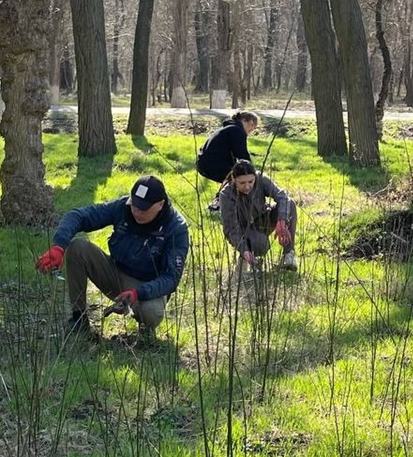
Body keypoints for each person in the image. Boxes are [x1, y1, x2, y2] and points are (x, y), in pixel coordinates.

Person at [35, 174, 190, 339]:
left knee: (152, 312)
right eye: (134, 205)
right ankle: (78, 319)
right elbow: (79, 215)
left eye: (143, 208)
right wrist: (59, 246)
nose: (136, 211)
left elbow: (171, 278)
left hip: (145, 286)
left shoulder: (176, 228)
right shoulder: (123, 207)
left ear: (160, 205)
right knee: (77, 247)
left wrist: (139, 292)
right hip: (115, 272)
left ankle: (145, 333)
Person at [218, 159, 298, 271]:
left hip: (263, 220)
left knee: (290, 205)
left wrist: (282, 220)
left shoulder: (260, 179)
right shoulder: (226, 194)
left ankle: (288, 255)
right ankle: (244, 258)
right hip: (243, 230)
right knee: (261, 244)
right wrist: (243, 249)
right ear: (234, 180)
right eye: (242, 183)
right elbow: (231, 229)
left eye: (251, 182)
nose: (247, 187)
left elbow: (283, 197)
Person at [196, 110, 260, 210]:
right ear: (245, 121)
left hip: (204, 163)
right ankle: (221, 205)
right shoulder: (237, 130)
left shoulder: (228, 128)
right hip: (211, 164)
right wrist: (251, 171)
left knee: (233, 177)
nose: (252, 129)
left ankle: (219, 204)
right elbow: (242, 154)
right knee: (239, 178)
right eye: (252, 125)